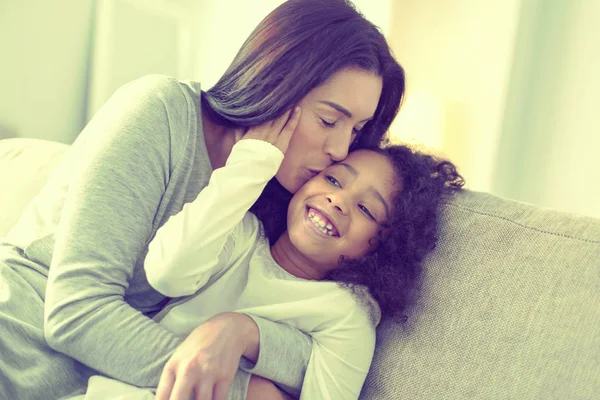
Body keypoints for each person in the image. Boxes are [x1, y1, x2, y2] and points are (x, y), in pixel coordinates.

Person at [0, 0, 406, 399]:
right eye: (329, 120)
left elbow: (316, 351)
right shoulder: (161, 114)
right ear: (278, 85)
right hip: (16, 336)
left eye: (355, 130)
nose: (340, 149)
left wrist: (243, 333)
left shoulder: (278, 197)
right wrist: (242, 391)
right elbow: (76, 314)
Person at [74, 122, 464, 400]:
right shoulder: (240, 234)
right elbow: (167, 274)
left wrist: (245, 330)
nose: (338, 200)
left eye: (365, 208)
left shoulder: (345, 314)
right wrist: (253, 163)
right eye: (332, 179)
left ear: (381, 247)